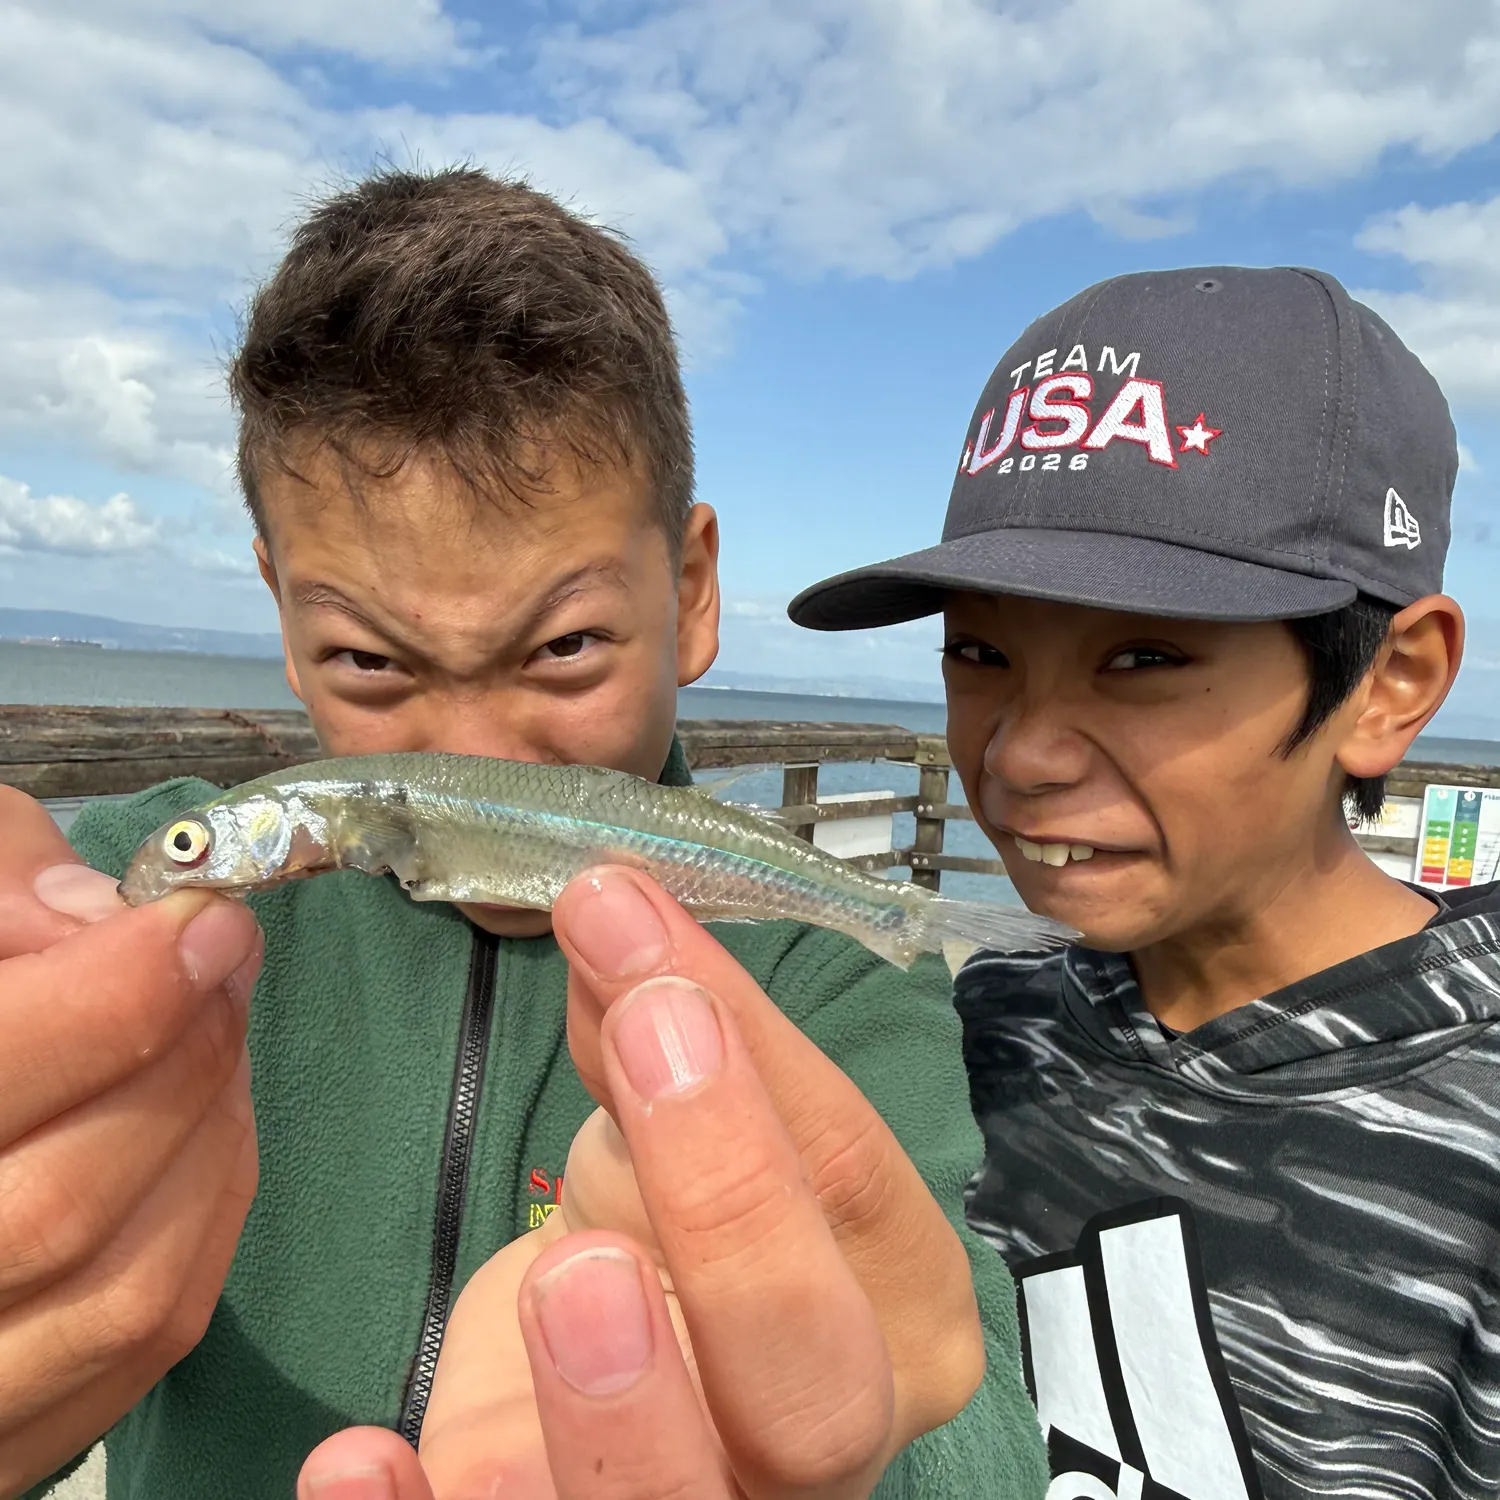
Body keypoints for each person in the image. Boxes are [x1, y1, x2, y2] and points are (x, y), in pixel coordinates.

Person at [5, 169, 1049, 1498]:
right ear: (278, 605)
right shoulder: (146, 927)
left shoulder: (833, 970)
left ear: (692, 590)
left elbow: (979, 1433)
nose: (477, 763)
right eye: (370, 661)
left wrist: (858, 1452)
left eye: (564, 647)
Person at [788, 264, 1496, 1500]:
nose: (1020, 750)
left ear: (1389, 682)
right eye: (978, 651)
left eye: (1146, 656)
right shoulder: (967, 1037)